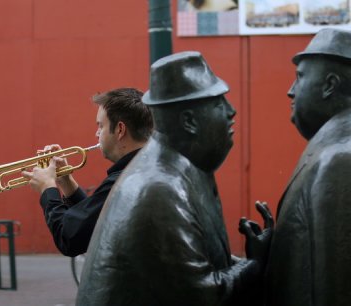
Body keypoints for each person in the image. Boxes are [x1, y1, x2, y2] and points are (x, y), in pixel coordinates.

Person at [76, 51, 273, 306]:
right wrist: (256, 263)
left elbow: (187, 267)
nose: (231, 111)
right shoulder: (159, 189)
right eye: (218, 103)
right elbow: (205, 295)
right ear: (189, 120)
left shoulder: (177, 171)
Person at [265, 28, 351, 306]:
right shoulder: (332, 148)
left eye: (300, 77)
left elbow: (334, 288)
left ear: (329, 84)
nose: (290, 91)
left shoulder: (339, 159)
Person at [22, 88, 153, 256]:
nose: (96, 133)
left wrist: (47, 189)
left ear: (120, 129)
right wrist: (66, 182)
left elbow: (69, 239)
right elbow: (92, 222)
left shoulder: (123, 182)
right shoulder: (141, 168)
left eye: (100, 126)